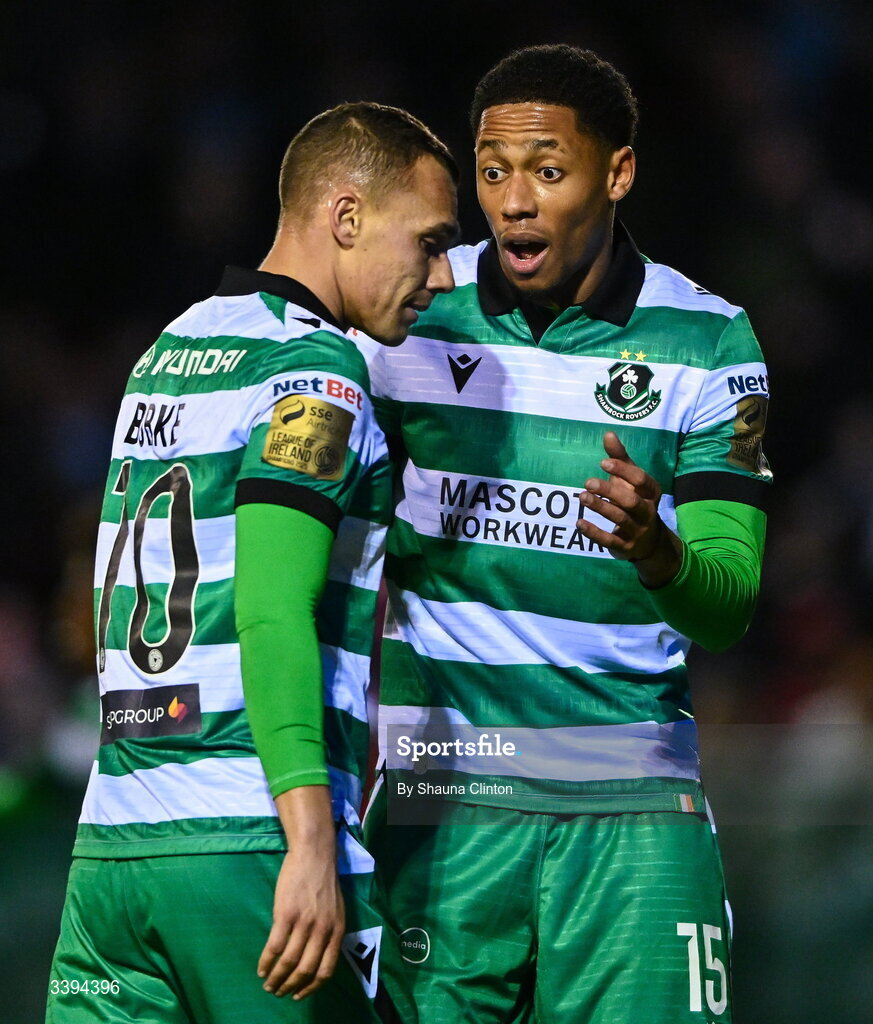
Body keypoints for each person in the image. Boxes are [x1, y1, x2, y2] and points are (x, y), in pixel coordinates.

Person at [362, 45, 770, 1023]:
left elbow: (730, 606)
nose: (514, 200)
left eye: (549, 170)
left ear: (617, 172)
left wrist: (661, 554)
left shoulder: (710, 342)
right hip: (442, 806)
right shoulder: (407, 311)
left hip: (630, 806)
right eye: (493, 170)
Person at [46, 101, 459, 1024]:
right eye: (428, 242)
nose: (439, 276)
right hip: (249, 846)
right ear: (345, 217)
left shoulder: (169, 350)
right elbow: (271, 609)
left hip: (114, 854)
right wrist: (309, 842)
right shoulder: (313, 374)